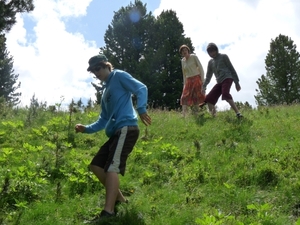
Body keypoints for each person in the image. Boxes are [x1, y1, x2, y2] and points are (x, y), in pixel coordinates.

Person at [75, 54, 152, 222]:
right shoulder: (105, 93)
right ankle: (120, 200)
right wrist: (86, 129)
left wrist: (141, 108)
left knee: (111, 167)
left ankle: (108, 212)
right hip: (116, 132)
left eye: (98, 68)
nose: (96, 73)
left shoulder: (119, 76)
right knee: (96, 165)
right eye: (93, 71)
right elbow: (103, 119)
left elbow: (141, 88)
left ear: (107, 66)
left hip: (126, 128)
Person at [200, 43, 243, 118]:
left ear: (216, 50)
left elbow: (231, 69)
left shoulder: (224, 57)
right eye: (210, 52)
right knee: (209, 98)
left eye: (213, 51)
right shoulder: (210, 62)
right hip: (219, 81)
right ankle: (214, 117)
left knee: (225, 94)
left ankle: (238, 113)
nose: (211, 54)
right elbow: (208, 76)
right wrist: (204, 87)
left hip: (227, 78)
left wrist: (237, 82)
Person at [179, 44, 205, 117]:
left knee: (196, 96)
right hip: (188, 80)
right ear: (181, 53)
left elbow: (200, 67)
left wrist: (202, 80)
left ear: (188, 51)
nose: (184, 52)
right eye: (182, 51)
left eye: (185, 50)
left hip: (196, 78)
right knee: (184, 97)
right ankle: (184, 114)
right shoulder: (182, 61)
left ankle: (197, 113)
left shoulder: (194, 57)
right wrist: (184, 84)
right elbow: (184, 74)